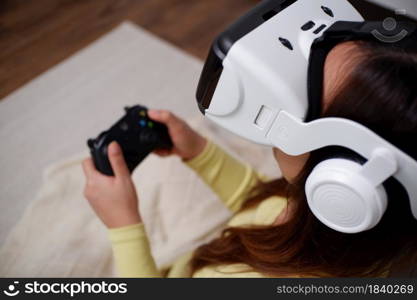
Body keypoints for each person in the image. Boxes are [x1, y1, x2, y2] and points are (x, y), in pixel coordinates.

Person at [82, 39, 417, 277]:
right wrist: (200, 151)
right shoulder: (329, 221)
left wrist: (124, 226)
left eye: (303, 99)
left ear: (344, 178)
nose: (280, 100)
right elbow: (260, 206)